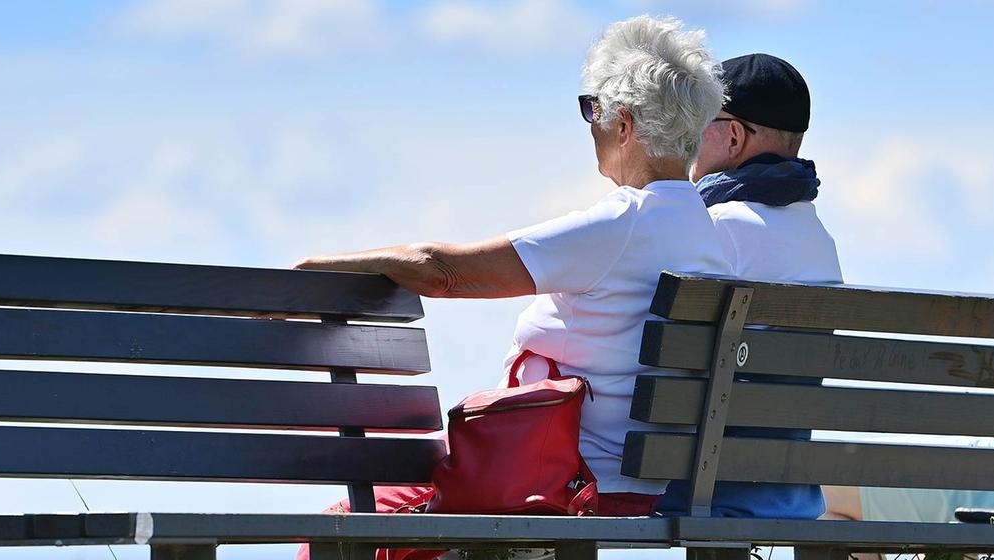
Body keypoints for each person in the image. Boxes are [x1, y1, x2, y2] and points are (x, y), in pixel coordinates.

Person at [293, 13, 730, 520]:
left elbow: (442, 273)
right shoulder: (706, 235)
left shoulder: (625, 223)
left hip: (560, 482)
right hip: (645, 485)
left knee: (340, 522)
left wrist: (313, 269)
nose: (592, 127)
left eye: (593, 110)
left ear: (624, 124)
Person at [652, 53, 840, 520]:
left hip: (703, 483)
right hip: (789, 489)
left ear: (733, 135)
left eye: (698, 121)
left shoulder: (717, 223)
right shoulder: (819, 236)